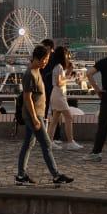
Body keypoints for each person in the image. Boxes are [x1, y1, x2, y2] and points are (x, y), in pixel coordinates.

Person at [16, 44, 74, 187]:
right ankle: (56, 175)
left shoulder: (37, 72)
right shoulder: (30, 74)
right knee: (47, 144)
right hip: (33, 115)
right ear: (37, 58)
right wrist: (35, 118)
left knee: (28, 144)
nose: (46, 62)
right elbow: (27, 97)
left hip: (37, 114)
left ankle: (21, 176)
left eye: (47, 59)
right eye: (45, 59)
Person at [46, 46, 82, 152]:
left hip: (57, 94)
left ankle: (49, 141)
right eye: (66, 54)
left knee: (55, 120)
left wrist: (67, 75)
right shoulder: (59, 67)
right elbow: (58, 82)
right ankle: (70, 142)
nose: (67, 56)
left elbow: (59, 80)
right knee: (68, 117)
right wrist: (68, 78)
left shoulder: (58, 67)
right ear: (63, 55)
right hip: (58, 94)